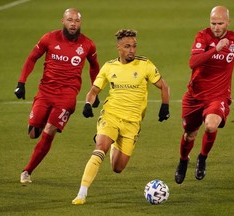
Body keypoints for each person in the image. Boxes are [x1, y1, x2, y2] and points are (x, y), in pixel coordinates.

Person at [72, 29, 170, 205]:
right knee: (100, 147)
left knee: (117, 168)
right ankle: (81, 194)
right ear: (119, 47)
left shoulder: (145, 64)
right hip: (111, 115)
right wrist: (87, 104)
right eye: (127, 46)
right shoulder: (109, 67)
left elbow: (164, 86)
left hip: (132, 123)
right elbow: (93, 91)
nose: (132, 50)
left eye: (134, 46)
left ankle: (113, 142)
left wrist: (165, 106)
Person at [174, 5, 234, 184]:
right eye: (213, 23)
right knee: (189, 134)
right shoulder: (203, 36)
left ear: (228, 23)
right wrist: (215, 49)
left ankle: (202, 158)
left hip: (218, 96)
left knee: (211, 125)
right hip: (195, 96)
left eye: (220, 23)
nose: (216, 27)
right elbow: (193, 62)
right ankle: (183, 160)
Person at [14, 8, 100, 184]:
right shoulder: (49, 38)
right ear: (63, 21)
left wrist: (94, 90)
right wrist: (21, 82)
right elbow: (32, 58)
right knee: (33, 134)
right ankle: (38, 123)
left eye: (76, 21)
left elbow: (94, 66)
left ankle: (27, 171)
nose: (73, 24)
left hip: (67, 96)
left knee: (49, 130)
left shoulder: (88, 45)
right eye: (70, 20)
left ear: (80, 23)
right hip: (45, 92)